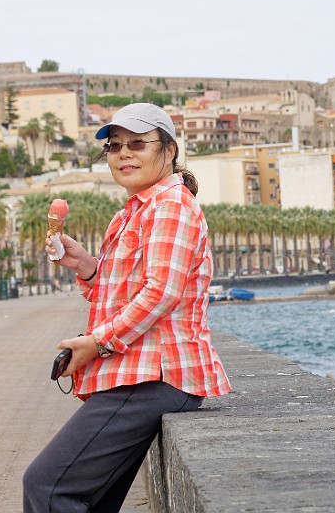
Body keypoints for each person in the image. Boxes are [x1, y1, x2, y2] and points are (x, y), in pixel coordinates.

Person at [23, 103, 232, 512]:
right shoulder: (138, 210)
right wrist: (85, 266)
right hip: (141, 375)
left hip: (155, 377)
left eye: (138, 144)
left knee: (47, 487)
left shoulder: (169, 206)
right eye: (115, 146)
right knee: (91, 500)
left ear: (168, 150)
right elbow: (125, 291)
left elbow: (162, 293)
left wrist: (96, 344)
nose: (123, 154)